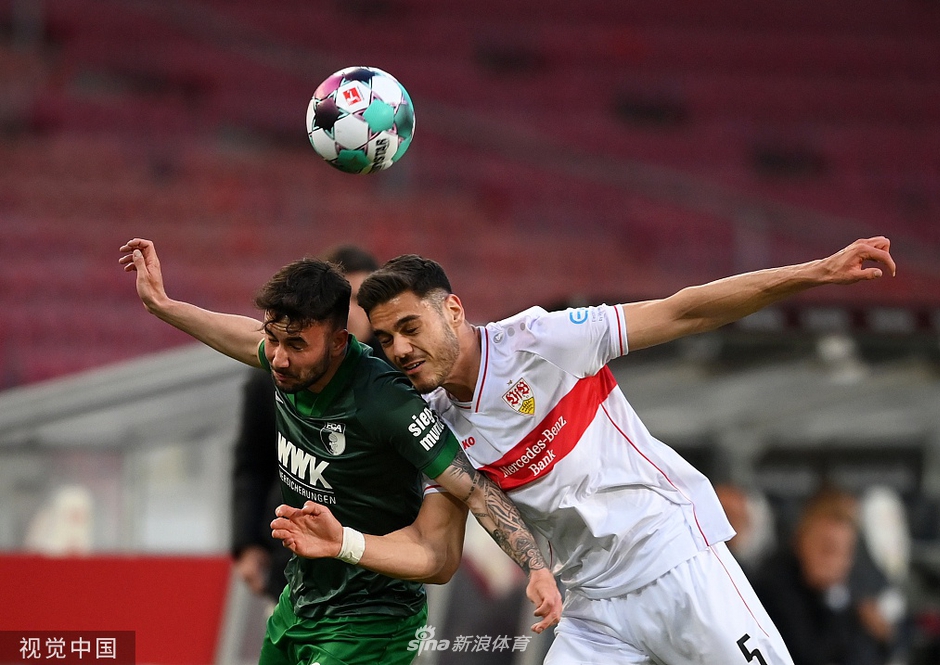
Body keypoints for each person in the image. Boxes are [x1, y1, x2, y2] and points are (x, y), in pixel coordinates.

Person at [272, 236, 896, 665]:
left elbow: (684, 312)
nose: (400, 350)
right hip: (592, 609)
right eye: (385, 340)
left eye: (411, 328)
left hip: (673, 563)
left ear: (453, 311)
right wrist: (345, 541)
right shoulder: (433, 423)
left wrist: (813, 273)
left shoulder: (542, 340)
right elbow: (436, 553)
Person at [118, 238, 561, 665]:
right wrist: (163, 305)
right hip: (300, 601)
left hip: (371, 618)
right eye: (273, 339)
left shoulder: (386, 402)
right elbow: (240, 334)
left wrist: (535, 567)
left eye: (296, 345)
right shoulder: (288, 364)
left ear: (337, 342)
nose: (278, 358)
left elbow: (474, 489)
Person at [231, 245, 387, 604]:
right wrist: (246, 543)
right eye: (343, 302)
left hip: (377, 570)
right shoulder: (271, 376)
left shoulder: (396, 380)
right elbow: (251, 464)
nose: (352, 313)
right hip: (291, 562)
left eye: (361, 301)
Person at [753, 487, 887, 665]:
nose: (835, 561)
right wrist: (835, 600)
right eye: (827, 548)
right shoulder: (773, 588)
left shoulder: (848, 592)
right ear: (801, 542)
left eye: (844, 552)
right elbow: (809, 656)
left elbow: (864, 654)